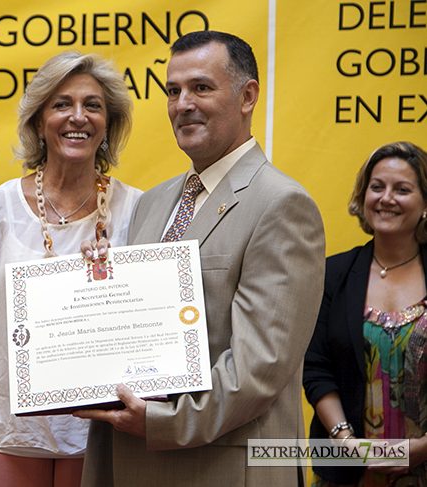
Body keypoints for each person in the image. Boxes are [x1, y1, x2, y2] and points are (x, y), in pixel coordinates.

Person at [76, 30, 326, 486]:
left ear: (247, 96)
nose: (182, 104)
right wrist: (98, 289)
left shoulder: (282, 204)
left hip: (222, 467)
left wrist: (159, 421)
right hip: (132, 461)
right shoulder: (152, 202)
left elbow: (259, 367)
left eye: (201, 88)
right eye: (173, 91)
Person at [0, 51, 142, 487]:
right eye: (61, 104)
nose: (78, 117)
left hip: (100, 433)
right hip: (5, 433)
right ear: (38, 121)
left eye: (93, 105)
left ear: (108, 123)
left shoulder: (138, 210)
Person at [303, 142, 427, 486]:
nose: (386, 198)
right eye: (377, 187)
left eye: (402, 189)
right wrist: (346, 441)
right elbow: (315, 368)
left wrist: (424, 448)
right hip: (348, 473)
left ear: (425, 203)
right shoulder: (333, 274)